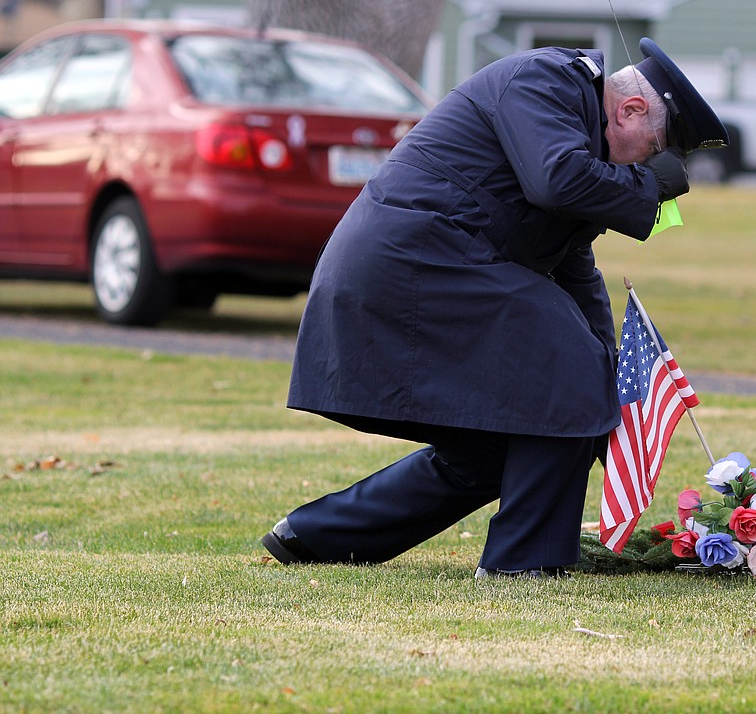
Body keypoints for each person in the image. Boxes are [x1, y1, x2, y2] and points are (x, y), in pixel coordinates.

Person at [260, 37, 728, 577]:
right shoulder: (547, 80)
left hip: (437, 266)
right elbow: (557, 180)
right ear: (630, 109)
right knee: (569, 369)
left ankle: (314, 536)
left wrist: (614, 384)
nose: (650, 163)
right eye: (656, 149)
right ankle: (523, 563)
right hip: (410, 260)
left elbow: (575, 270)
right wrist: (647, 189)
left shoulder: (577, 141)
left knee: (491, 451)